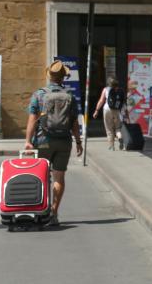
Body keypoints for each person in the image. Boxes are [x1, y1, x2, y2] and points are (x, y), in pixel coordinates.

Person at [24, 61, 83, 226]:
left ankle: (40, 210)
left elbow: (32, 120)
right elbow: (74, 123)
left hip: (43, 140)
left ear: (49, 75)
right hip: (64, 141)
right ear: (63, 77)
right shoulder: (69, 96)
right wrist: (78, 142)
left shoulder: (39, 95)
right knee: (59, 177)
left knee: (41, 176)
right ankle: (54, 213)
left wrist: (28, 141)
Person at [92, 77, 126, 151]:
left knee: (109, 129)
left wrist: (96, 110)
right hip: (117, 110)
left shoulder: (106, 89)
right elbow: (123, 103)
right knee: (118, 128)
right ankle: (120, 138)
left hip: (107, 109)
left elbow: (101, 101)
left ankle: (111, 146)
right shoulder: (120, 90)